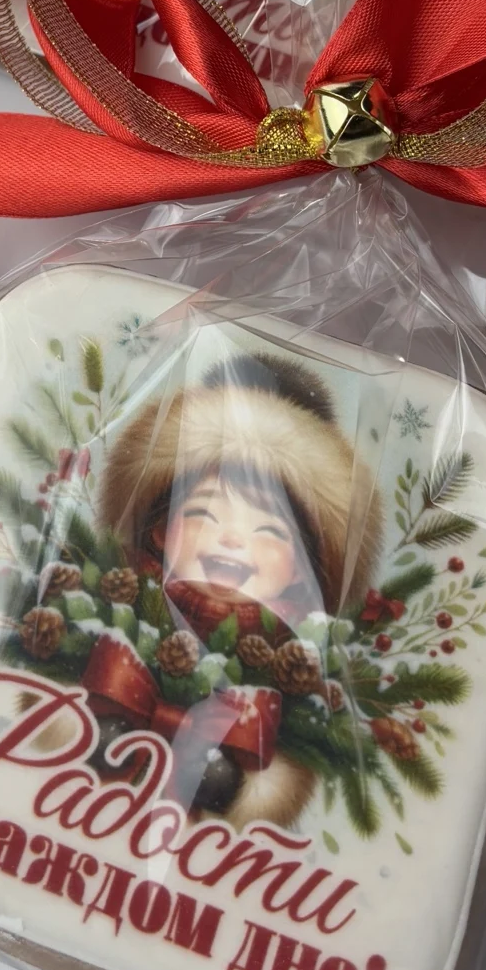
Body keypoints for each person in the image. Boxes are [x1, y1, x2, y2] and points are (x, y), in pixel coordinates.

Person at [98, 351, 382, 828]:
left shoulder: (300, 654)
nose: (232, 539)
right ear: (159, 532)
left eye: (268, 530)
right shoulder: (121, 601)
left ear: (303, 570)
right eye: (204, 514)